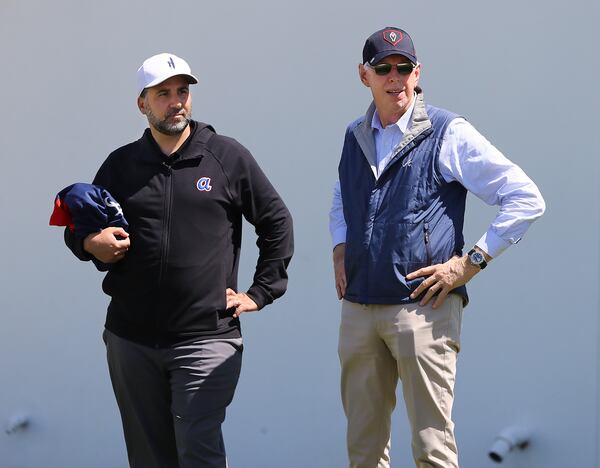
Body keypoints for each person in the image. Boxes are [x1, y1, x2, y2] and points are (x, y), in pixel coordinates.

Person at [64, 52, 294, 468]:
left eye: (183, 92)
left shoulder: (226, 156)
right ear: (143, 104)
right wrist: (90, 244)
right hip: (130, 340)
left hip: (206, 339)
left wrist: (260, 292)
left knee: (197, 450)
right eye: (164, 93)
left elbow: (276, 222)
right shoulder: (121, 165)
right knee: (149, 457)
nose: (177, 102)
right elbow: (81, 229)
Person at [329, 27, 544, 468]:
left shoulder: (448, 131)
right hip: (359, 309)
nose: (395, 77)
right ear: (363, 75)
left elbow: (525, 197)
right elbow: (341, 197)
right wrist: (339, 246)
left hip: (423, 308)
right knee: (363, 451)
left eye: (404, 67)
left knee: (432, 449)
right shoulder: (355, 134)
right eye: (384, 68)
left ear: (417, 71)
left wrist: (470, 263)